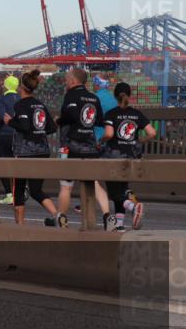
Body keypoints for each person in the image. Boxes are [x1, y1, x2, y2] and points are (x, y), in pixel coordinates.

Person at [55, 67, 111, 230]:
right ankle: (108, 216)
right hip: (90, 146)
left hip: (69, 147)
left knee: (66, 184)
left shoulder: (70, 95)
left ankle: (62, 218)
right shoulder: (94, 98)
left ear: (73, 81)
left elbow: (69, 116)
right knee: (94, 182)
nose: (65, 82)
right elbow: (100, 121)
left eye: (67, 79)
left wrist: (58, 120)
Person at [6, 70, 61, 226]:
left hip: (24, 153)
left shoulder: (20, 105)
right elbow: (51, 128)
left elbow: (23, 126)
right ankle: (57, 215)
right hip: (43, 151)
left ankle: (20, 226)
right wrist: (39, 128)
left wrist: (10, 121)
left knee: (18, 189)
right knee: (36, 190)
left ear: (21, 87)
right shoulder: (40, 104)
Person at [102, 82, 156, 231]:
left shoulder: (111, 114)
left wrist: (100, 142)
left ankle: (134, 208)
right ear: (130, 95)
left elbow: (109, 134)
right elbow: (152, 132)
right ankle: (120, 226)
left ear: (115, 96)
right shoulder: (137, 114)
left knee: (114, 193)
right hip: (132, 156)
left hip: (114, 156)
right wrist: (140, 140)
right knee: (122, 190)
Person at [0, 75, 20, 205]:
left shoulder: (2, 99)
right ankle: (18, 192)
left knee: (2, 164)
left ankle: (9, 194)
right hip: (19, 135)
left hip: (5, 135)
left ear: (6, 86)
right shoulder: (21, 98)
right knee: (16, 164)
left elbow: (3, 116)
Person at [93, 75, 118, 142]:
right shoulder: (114, 99)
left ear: (97, 85)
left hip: (98, 136)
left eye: (94, 83)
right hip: (112, 136)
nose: (93, 85)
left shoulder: (94, 98)